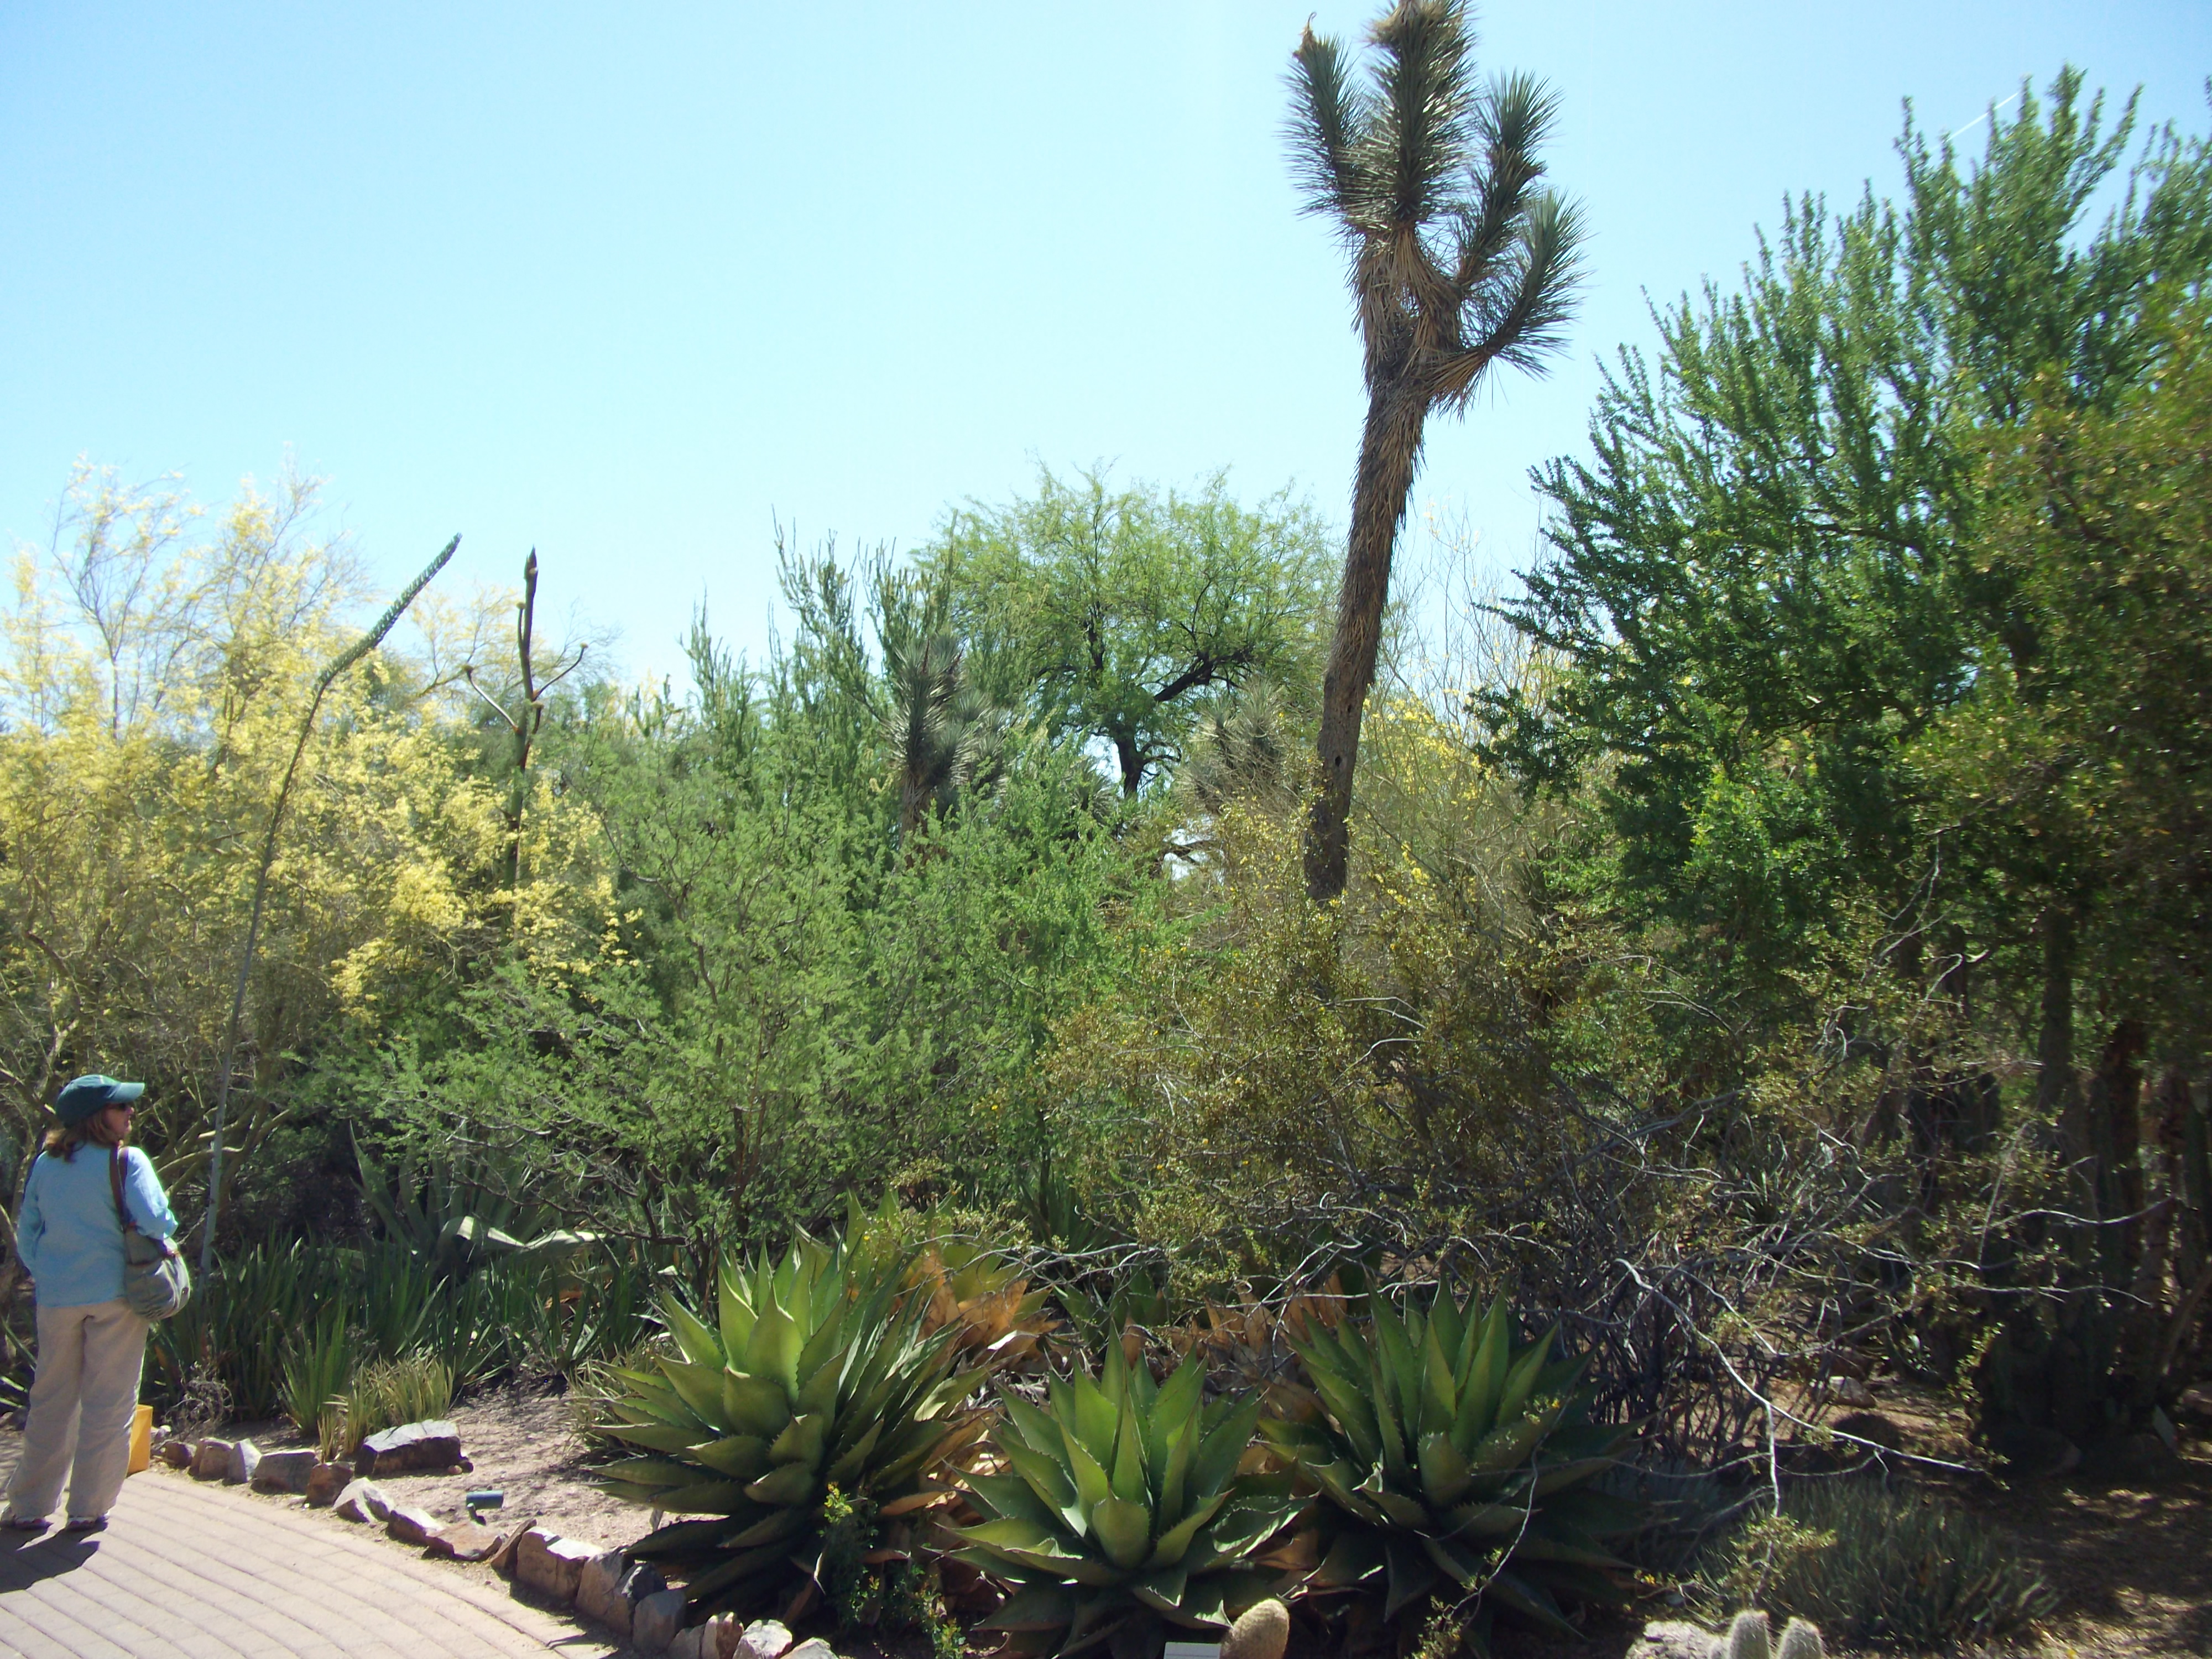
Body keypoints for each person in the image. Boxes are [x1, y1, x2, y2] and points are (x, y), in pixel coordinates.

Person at [2, 1074, 176, 1533]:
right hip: (117, 1297)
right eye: (122, 1107)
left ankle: (27, 1506)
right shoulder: (127, 1161)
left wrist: (49, 1272)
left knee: (51, 1401)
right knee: (109, 1403)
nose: (131, 1113)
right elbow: (158, 1222)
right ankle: (87, 1508)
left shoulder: (45, 1164)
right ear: (99, 1118)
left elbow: (27, 1234)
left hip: (57, 1300)